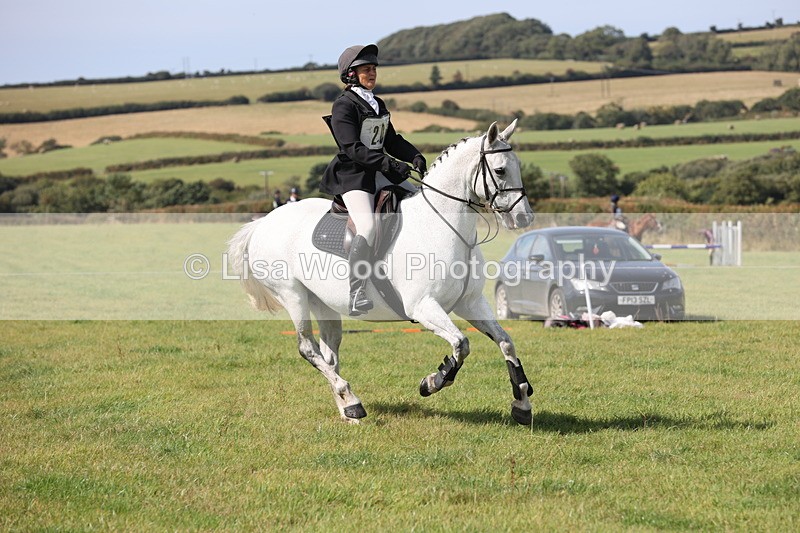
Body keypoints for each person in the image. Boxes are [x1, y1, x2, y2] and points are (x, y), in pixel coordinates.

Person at [320, 44, 427, 316]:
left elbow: (391, 140)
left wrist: (414, 156)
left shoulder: (377, 103)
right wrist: (390, 163)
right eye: (366, 69)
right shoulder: (344, 105)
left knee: (419, 203)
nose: (372, 72)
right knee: (366, 226)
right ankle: (356, 292)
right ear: (351, 74)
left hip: (381, 170)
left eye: (374, 68)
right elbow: (352, 148)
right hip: (354, 176)